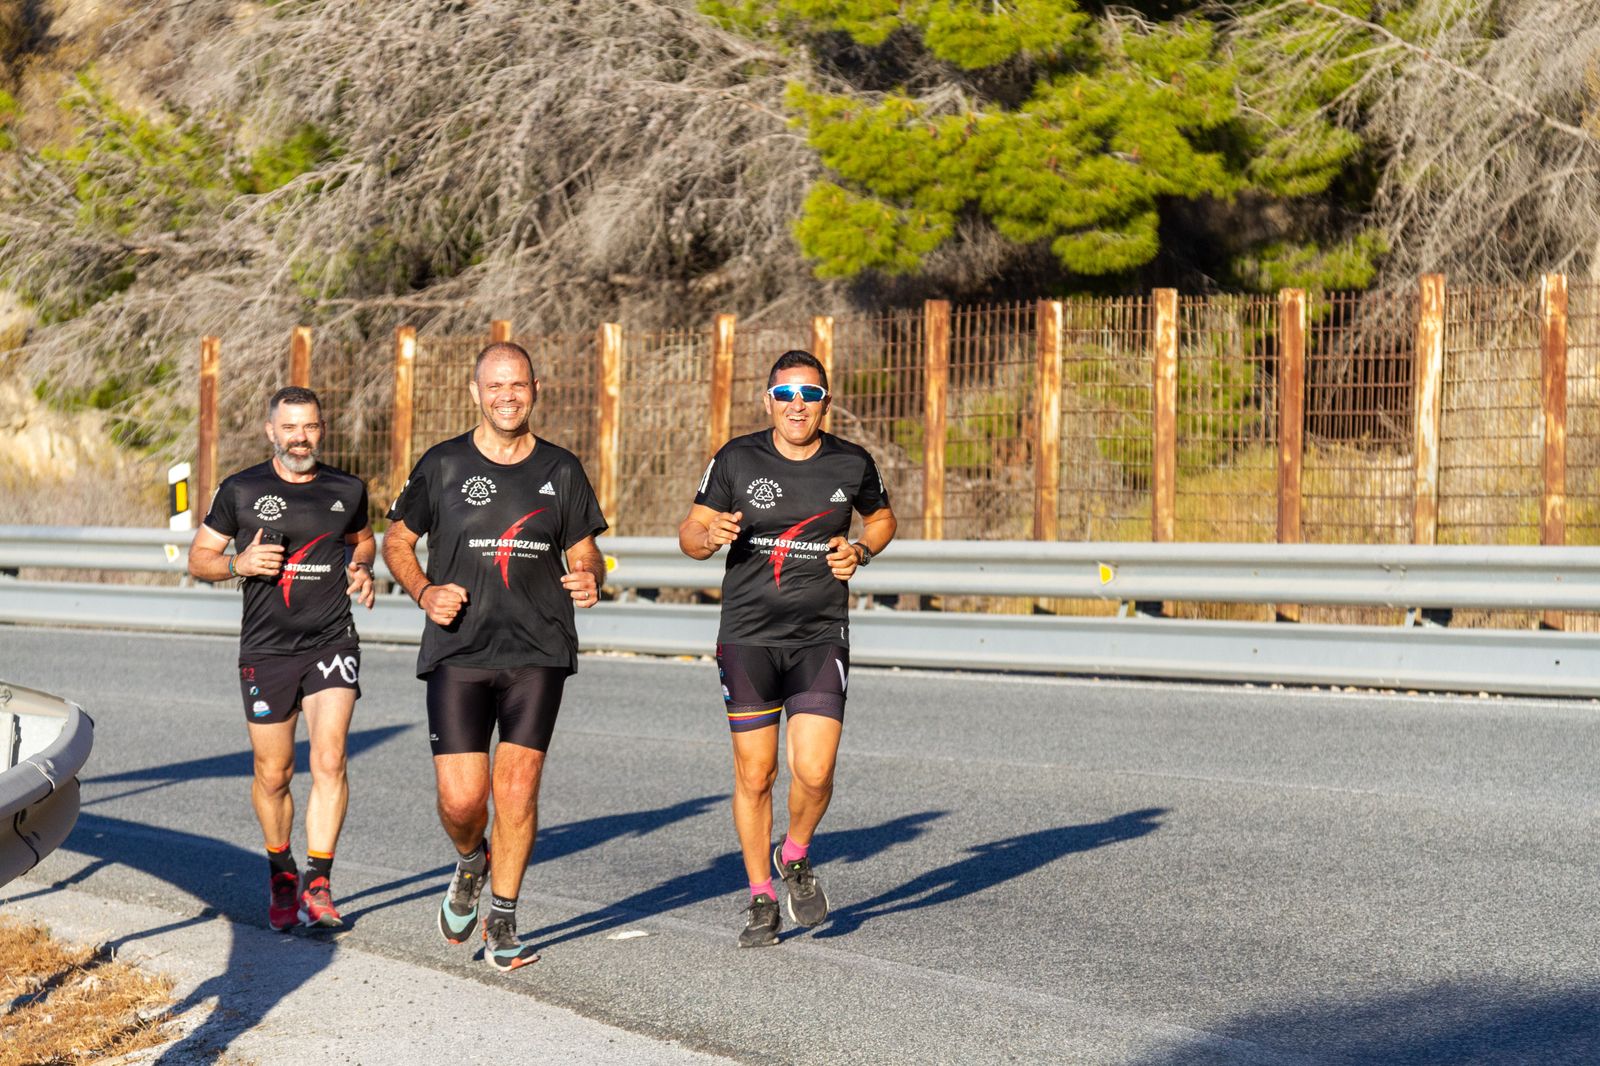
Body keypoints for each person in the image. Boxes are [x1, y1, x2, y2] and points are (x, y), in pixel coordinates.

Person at [382, 341, 606, 972]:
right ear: (474, 391)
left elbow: (584, 550)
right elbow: (396, 539)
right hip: (459, 650)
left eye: (520, 386)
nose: (508, 396)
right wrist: (425, 590)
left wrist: (589, 577)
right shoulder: (444, 464)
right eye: (496, 386)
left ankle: (503, 917)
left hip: (538, 649)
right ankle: (470, 861)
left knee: (516, 790)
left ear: (535, 390)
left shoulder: (561, 469)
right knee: (462, 801)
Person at [678, 349, 897, 947]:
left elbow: (881, 519)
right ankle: (760, 896)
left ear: (826, 400)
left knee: (816, 772)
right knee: (756, 775)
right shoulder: (737, 458)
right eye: (785, 395)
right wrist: (708, 537)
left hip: (819, 636)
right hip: (748, 638)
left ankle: (794, 853)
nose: (797, 406)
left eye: (809, 394)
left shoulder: (851, 462)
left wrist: (862, 550)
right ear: (767, 400)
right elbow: (690, 534)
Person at [188, 385, 376, 931]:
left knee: (330, 759)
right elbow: (200, 559)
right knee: (274, 773)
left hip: (331, 640)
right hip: (267, 649)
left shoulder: (347, 488)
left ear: (322, 428)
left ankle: (319, 881)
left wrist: (362, 565)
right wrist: (239, 563)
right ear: (271, 431)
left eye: (311, 426)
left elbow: (362, 540)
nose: (301, 437)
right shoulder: (241, 489)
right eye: (290, 427)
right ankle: (282, 872)